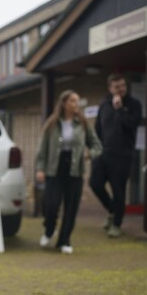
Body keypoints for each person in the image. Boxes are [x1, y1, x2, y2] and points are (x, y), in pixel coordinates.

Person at [35, 90, 102, 254]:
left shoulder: (83, 124)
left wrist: (88, 154)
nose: (76, 104)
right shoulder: (52, 123)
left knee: (71, 207)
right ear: (64, 103)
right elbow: (42, 148)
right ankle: (49, 229)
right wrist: (40, 168)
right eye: (73, 101)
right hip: (54, 168)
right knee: (51, 204)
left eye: (77, 101)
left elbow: (97, 146)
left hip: (74, 169)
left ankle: (65, 240)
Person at [89, 73, 142, 238]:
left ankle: (117, 224)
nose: (121, 89)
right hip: (104, 153)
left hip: (123, 155)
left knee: (118, 190)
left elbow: (133, 125)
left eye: (123, 86)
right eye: (117, 86)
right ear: (110, 88)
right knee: (95, 183)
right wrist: (93, 149)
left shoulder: (134, 104)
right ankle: (112, 210)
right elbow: (98, 129)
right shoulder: (104, 105)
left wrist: (120, 110)